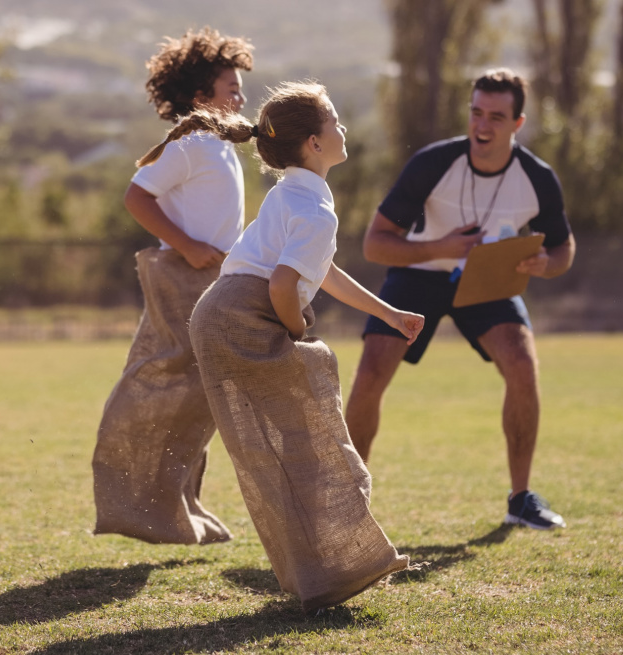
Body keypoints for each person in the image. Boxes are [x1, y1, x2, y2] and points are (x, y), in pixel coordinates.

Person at [184, 82, 424, 612]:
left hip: (219, 314)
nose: (342, 129)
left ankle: (322, 571)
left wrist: (387, 313)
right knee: (309, 443)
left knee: (293, 447)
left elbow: (322, 270)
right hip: (243, 319)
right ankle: (336, 567)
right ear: (314, 144)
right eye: (334, 121)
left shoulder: (295, 193)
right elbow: (281, 286)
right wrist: (295, 333)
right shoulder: (315, 208)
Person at [344, 68, 575, 530]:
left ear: (517, 123)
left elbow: (564, 248)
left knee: (523, 367)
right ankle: (347, 500)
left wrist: (545, 264)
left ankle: (520, 499)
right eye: (476, 113)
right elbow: (375, 244)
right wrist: (438, 248)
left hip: (488, 282)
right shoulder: (434, 164)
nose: (482, 126)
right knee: (371, 372)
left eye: (496, 116)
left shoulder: (537, 177)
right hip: (418, 275)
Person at [92, 28, 253, 545]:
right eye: (231, 87)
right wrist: (185, 246)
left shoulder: (219, 145)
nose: (240, 96)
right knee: (176, 386)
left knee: (199, 394)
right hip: (185, 279)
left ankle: (179, 503)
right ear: (202, 96)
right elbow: (136, 198)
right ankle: (144, 502)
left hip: (214, 279)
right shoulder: (189, 142)